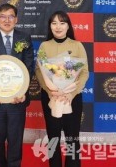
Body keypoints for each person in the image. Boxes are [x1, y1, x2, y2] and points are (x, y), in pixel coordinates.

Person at [0, 3, 34, 167]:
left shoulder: (24, 38)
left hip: (17, 100)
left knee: (15, 141)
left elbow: (29, 66)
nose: (7, 20)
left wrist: (22, 90)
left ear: (16, 19)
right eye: (3, 16)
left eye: (10, 16)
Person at [35, 11, 89, 167]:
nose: (58, 27)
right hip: (51, 97)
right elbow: (39, 71)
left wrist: (71, 93)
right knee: (53, 137)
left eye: (62, 23)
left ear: (68, 26)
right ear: (50, 26)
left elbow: (84, 72)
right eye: (54, 23)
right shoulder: (45, 46)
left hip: (71, 98)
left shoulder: (77, 45)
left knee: (72, 138)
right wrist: (50, 90)